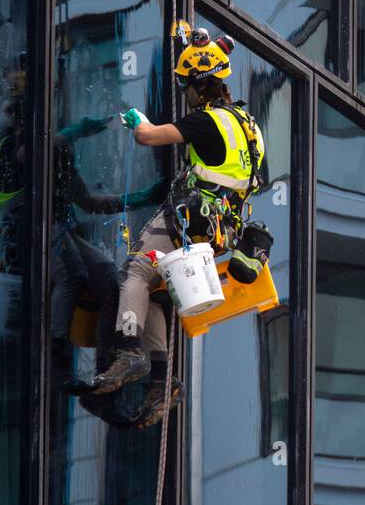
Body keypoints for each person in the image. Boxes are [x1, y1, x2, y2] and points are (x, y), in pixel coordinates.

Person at [87, 30, 267, 427]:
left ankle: (130, 349)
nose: (184, 92)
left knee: (133, 271)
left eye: (186, 85)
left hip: (188, 220)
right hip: (221, 230)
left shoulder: (206, 121)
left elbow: (148, 136)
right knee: (151, 288)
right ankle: (160, 380)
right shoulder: (249, 126)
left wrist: (138, 120)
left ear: (198, 86)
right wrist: (187, 36)